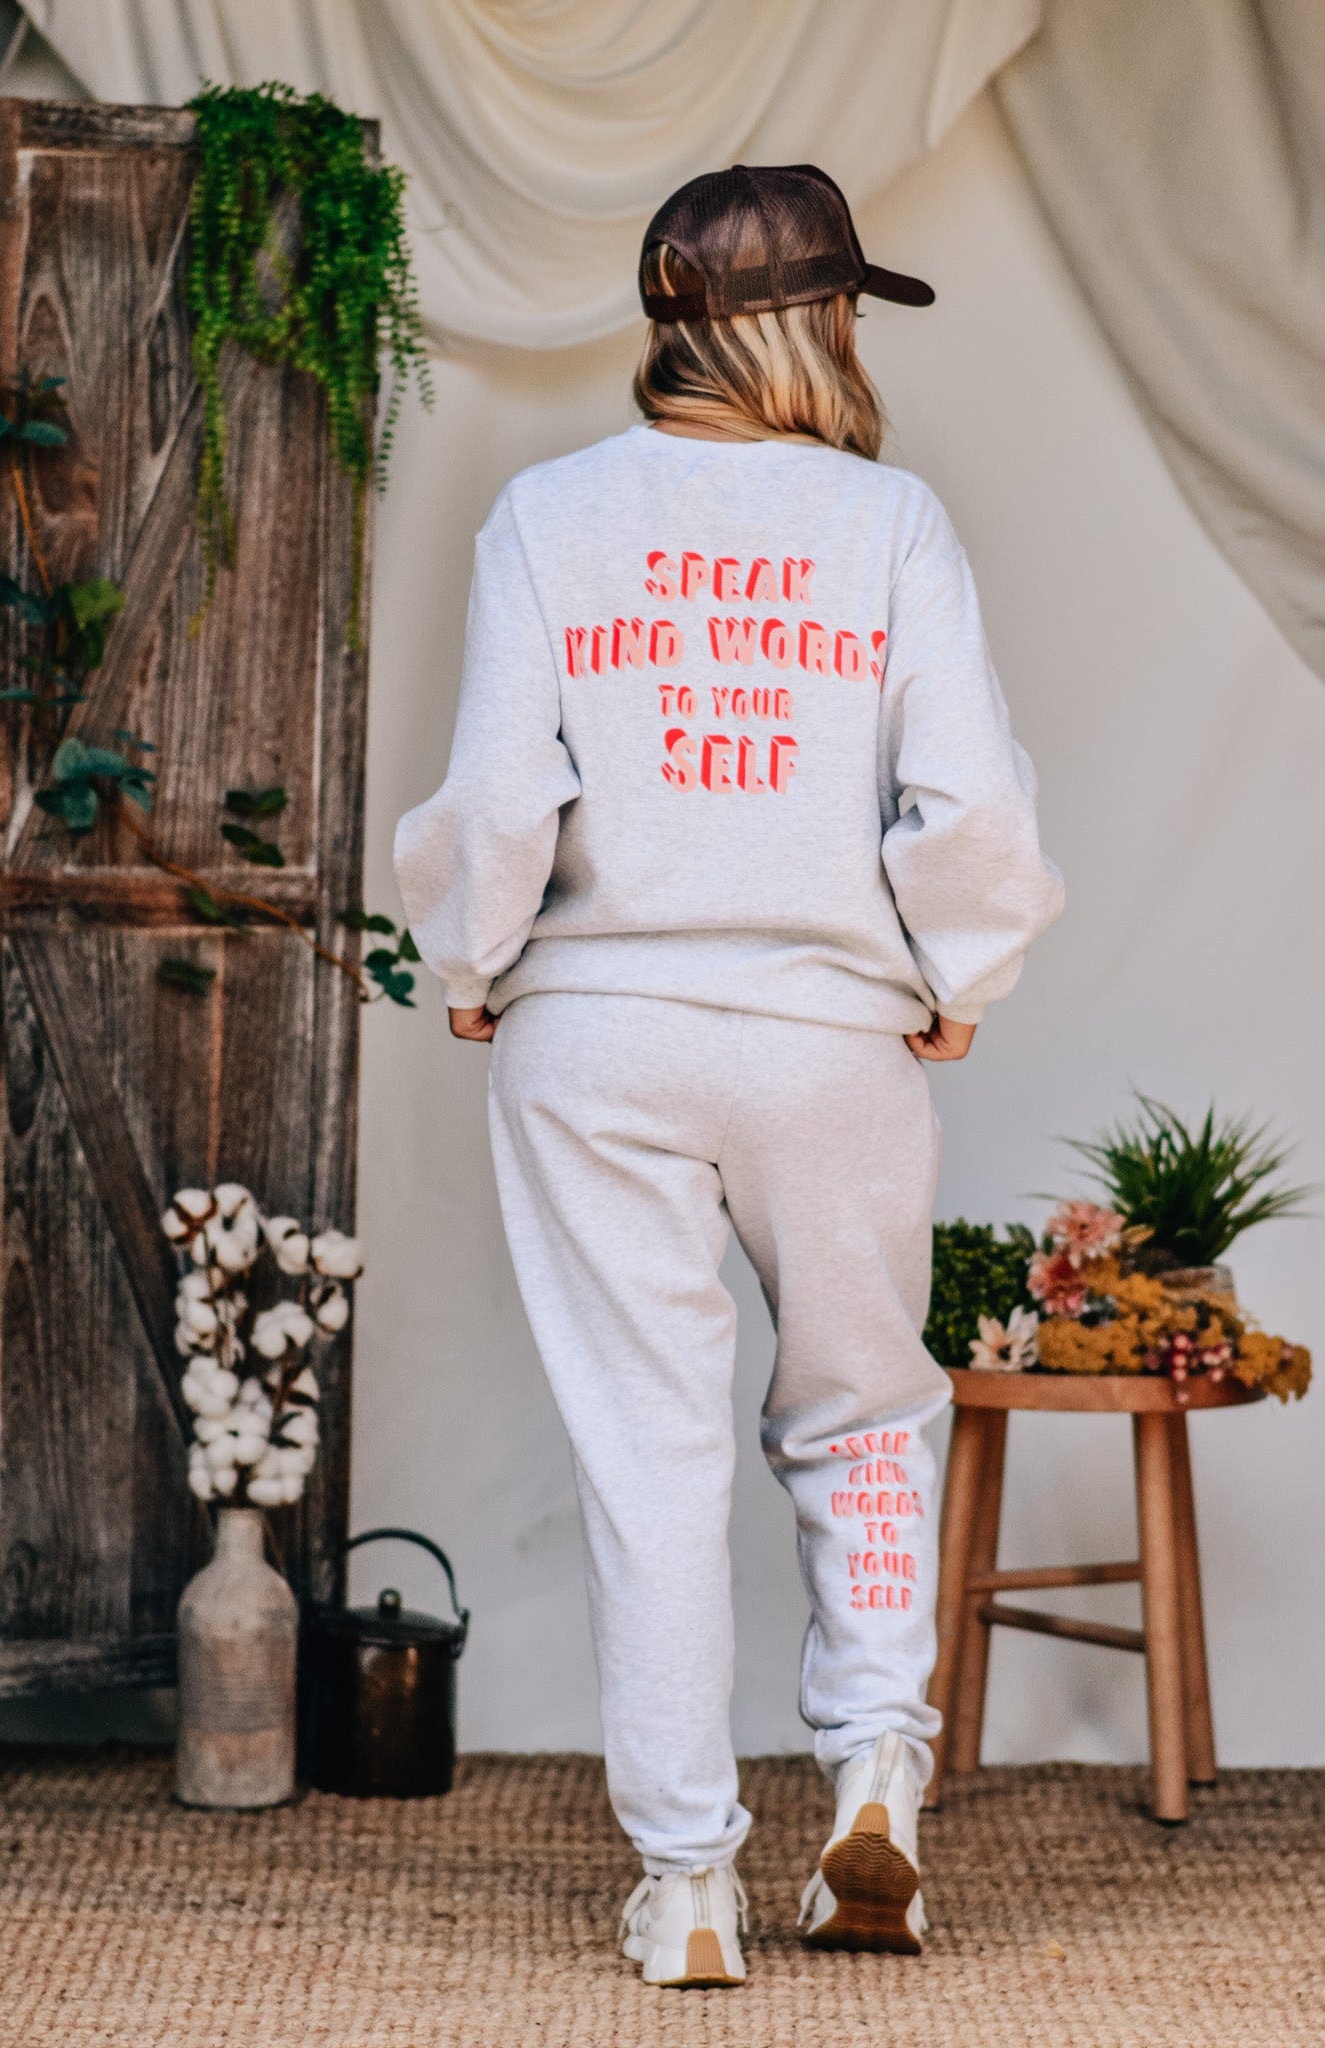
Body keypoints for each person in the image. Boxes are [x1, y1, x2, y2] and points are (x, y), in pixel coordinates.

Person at [394, 163, 1063, 1989]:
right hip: (827, 1039)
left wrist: (475, 966)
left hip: (599, 1036)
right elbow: (970, 801)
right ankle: (877, 1779)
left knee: (651, 1448)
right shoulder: (888, 522)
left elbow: (500, 793)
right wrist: (960, 976)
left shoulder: (548, 515)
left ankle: (688, 1879)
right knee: (863, 1415)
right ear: (815, 323)